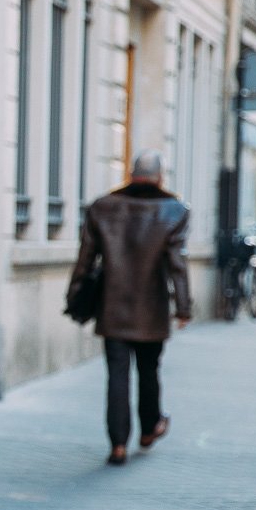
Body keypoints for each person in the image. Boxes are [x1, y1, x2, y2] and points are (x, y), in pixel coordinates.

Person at [68, 150, 191, 466]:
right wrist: (183, 307)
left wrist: (75, 296)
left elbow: (85, 259)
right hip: (151, 309)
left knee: (117, 376)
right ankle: (149, 429)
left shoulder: (104, 207)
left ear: (131, 174)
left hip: (113, 306)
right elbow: (177, 265)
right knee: (149, 371)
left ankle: (118, 444)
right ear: (160, 177)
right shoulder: (173, 211)